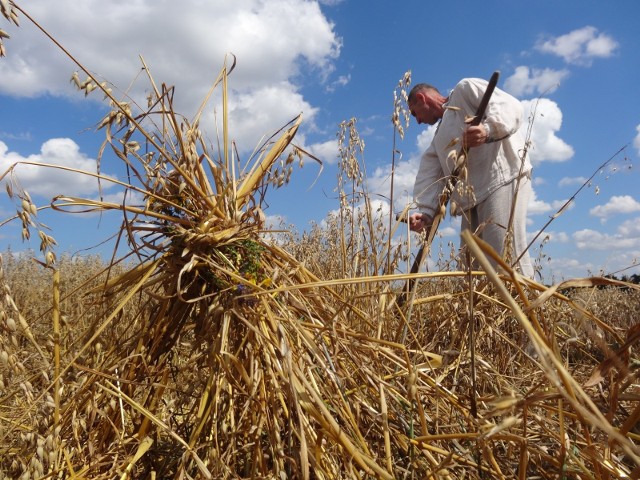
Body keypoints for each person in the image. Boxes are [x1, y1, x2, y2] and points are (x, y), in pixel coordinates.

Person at [407, 78, 534, 278]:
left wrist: (488, 130)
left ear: (422, 98)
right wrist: (425, 212)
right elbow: (430, 171)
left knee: (505, 259)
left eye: (415, 112)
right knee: (471, 272)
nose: (418, 121)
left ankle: (528, 308)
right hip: (471, 200)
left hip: (500, 179)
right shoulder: (440, 136)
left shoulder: (464, 89)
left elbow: (510, 106)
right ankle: (485, 309)